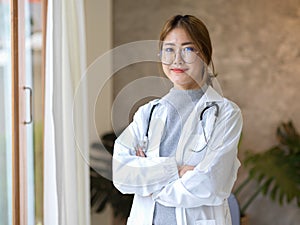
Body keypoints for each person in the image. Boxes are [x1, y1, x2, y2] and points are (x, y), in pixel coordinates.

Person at [112, 14, 243, 225]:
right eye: (169, 49)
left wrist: (149, 182)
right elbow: (121, 175)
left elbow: (210, 183)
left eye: (188, 49)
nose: (177, 59)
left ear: (205, 55)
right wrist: (176, 170)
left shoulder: (225, 114)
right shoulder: (148, 114)